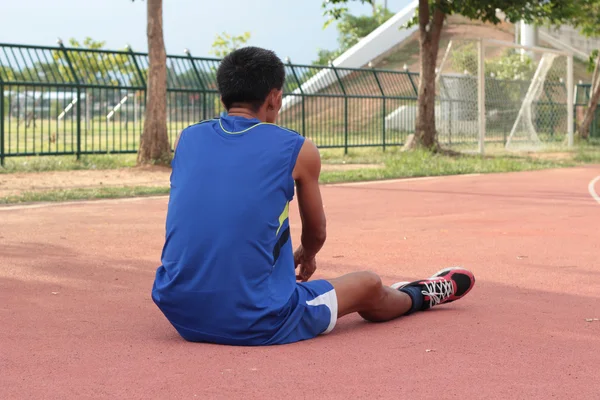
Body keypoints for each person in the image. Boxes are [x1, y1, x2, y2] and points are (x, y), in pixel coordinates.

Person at [151, 46, 475, 346]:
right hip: (259, 320)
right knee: (369, 285)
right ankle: (420, 294)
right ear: (275, 98)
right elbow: (317, 233)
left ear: (223, 94)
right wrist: (307, 253)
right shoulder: (296, 148)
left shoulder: (187, 139)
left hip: (179, 309)